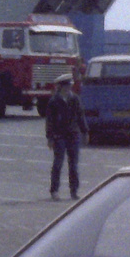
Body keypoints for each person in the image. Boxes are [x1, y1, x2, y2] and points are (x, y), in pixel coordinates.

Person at [44, 73, 88, 201]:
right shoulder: (54, 101)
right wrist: (50, 138)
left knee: (73, 165)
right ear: (61, 87)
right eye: (67, 86)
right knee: (58, 163)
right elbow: (50, 121)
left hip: (73, 135)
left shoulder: (75, 99)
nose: (69, 88)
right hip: (59, 136)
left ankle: (74, 191)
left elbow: (80, 116)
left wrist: (85, 132)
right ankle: (54, 190)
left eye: (70, 86)